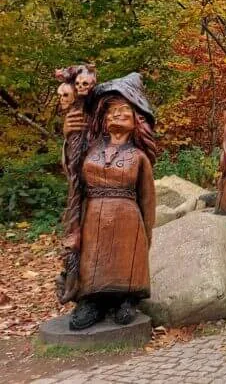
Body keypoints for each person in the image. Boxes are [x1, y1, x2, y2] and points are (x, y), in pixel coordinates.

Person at [58, 72, 157, 330]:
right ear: (102, 120)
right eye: (111, 111)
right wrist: (70, 137)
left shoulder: (138, 157)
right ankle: (92, 301)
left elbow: (148, 198)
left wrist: (147, 232)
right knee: (94, 259)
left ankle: (126, 298)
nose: (116, 115)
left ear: (137, 120)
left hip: (127, 217)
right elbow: (72, 172)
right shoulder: (90, 150)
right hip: (93, 216)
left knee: (126, 258)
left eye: (124, 110)